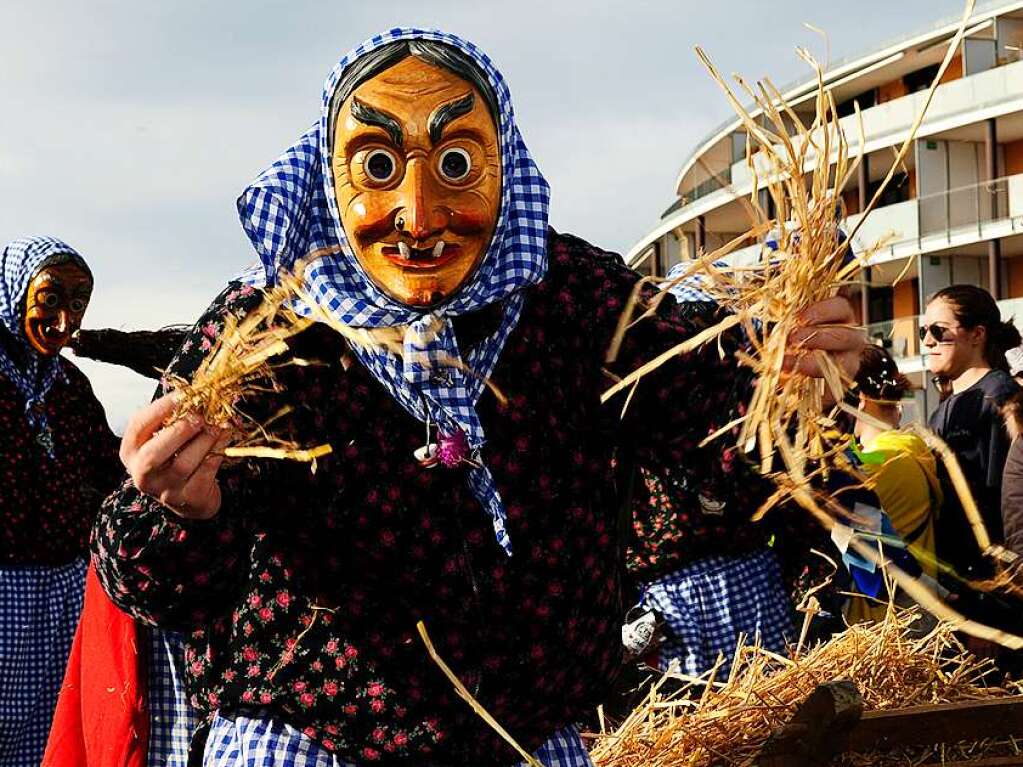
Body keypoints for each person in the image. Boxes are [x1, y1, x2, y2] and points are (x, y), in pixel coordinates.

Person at [92, 30, 864, 767]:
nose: (419, 215)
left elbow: (724, 448)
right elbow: (157, 585)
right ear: (329, 177)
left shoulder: (576, 302)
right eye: (377, 166)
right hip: (308, 736)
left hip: (521, 734)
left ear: (505, 168)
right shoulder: (264, 333)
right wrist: (176, 510)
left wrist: (792, 388)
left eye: (457, 163)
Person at [0, 236, 122, 766]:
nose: (63, 319)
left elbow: (110, 471)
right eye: (50, 298)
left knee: (50, 726)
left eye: (77, 303)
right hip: (2, 583)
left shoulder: (71, 387)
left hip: (64, 588)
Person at [924, 285, 1021, 588]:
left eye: (938, 331)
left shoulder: (1000, 397)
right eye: (923, 331)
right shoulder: (944, 407)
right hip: (956, 574)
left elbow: (1006, 498)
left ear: (977, 334)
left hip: (993, 579)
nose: (928, 341)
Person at [845, 344, 943, 623]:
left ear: (860, 399)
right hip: (916, 617)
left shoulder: (881, 462)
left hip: (888, 626)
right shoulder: (909, 448)